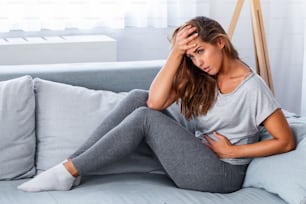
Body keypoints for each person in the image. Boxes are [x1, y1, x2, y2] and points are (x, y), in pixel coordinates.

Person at [17, 16, 296, 193]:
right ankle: (70, 167)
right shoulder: (202, 76)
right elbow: (155, 101)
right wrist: (176, 53)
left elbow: (285, 141)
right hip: (197, 157)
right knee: (139, 97)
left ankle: (68, 170)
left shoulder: (252, 86)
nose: (198, 62)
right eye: (192, 56)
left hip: (222, 173)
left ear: (220, 43)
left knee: (144, 118)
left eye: (201, 51)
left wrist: (234, 150)